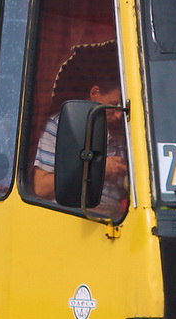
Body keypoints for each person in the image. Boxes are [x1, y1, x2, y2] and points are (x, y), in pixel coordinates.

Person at [31, 41, 128, 213]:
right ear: (95, 93)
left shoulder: (124, 130)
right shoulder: (60, 126)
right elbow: (42, 188)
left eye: (122, 108)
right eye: (113, 105)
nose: (119, 115)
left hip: (120, 219)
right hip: (73, 214)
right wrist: (99, 170)